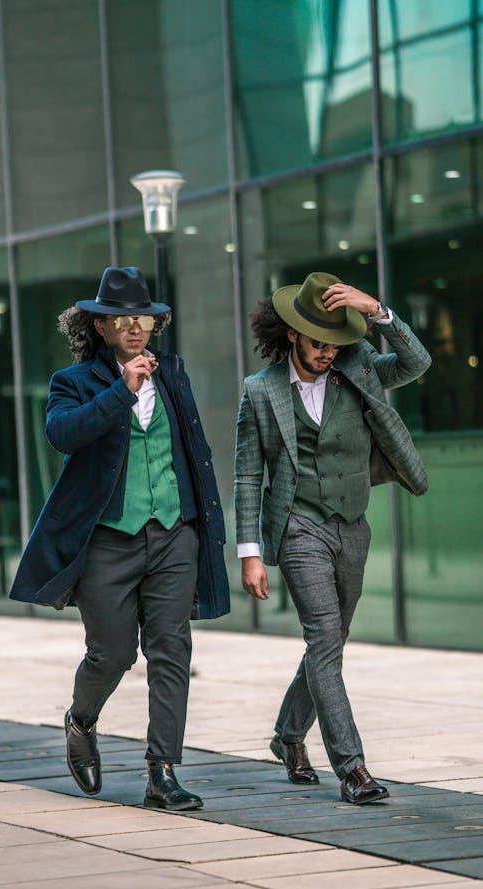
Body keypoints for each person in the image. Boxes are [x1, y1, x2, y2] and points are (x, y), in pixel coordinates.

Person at [10, 266, 229, 811]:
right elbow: (65, 435)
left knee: (171, 648)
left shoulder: (174, 372)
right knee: (111, 654)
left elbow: (192, 452)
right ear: (100, 328)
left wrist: (208, 529)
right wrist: (121, 389)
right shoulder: (74, 382)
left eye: (144, 319)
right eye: (121, 320)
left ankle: (163, 772)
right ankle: (81, 722)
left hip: (175, 533)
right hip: (108, 538)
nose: (135, 328)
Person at [234, 271, 431, 805]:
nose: (327, 352)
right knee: (324, 637)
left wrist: (379, 312)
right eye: (318, 341)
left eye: (336, 342)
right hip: (299, 525)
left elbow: (417, 364)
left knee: (331, 641)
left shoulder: (359, 366)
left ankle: (288, 736)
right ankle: (353, 767)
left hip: (353, 524)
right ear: (293, 333)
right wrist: (249, 553)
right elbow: (248, 475)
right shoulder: (259, 392)